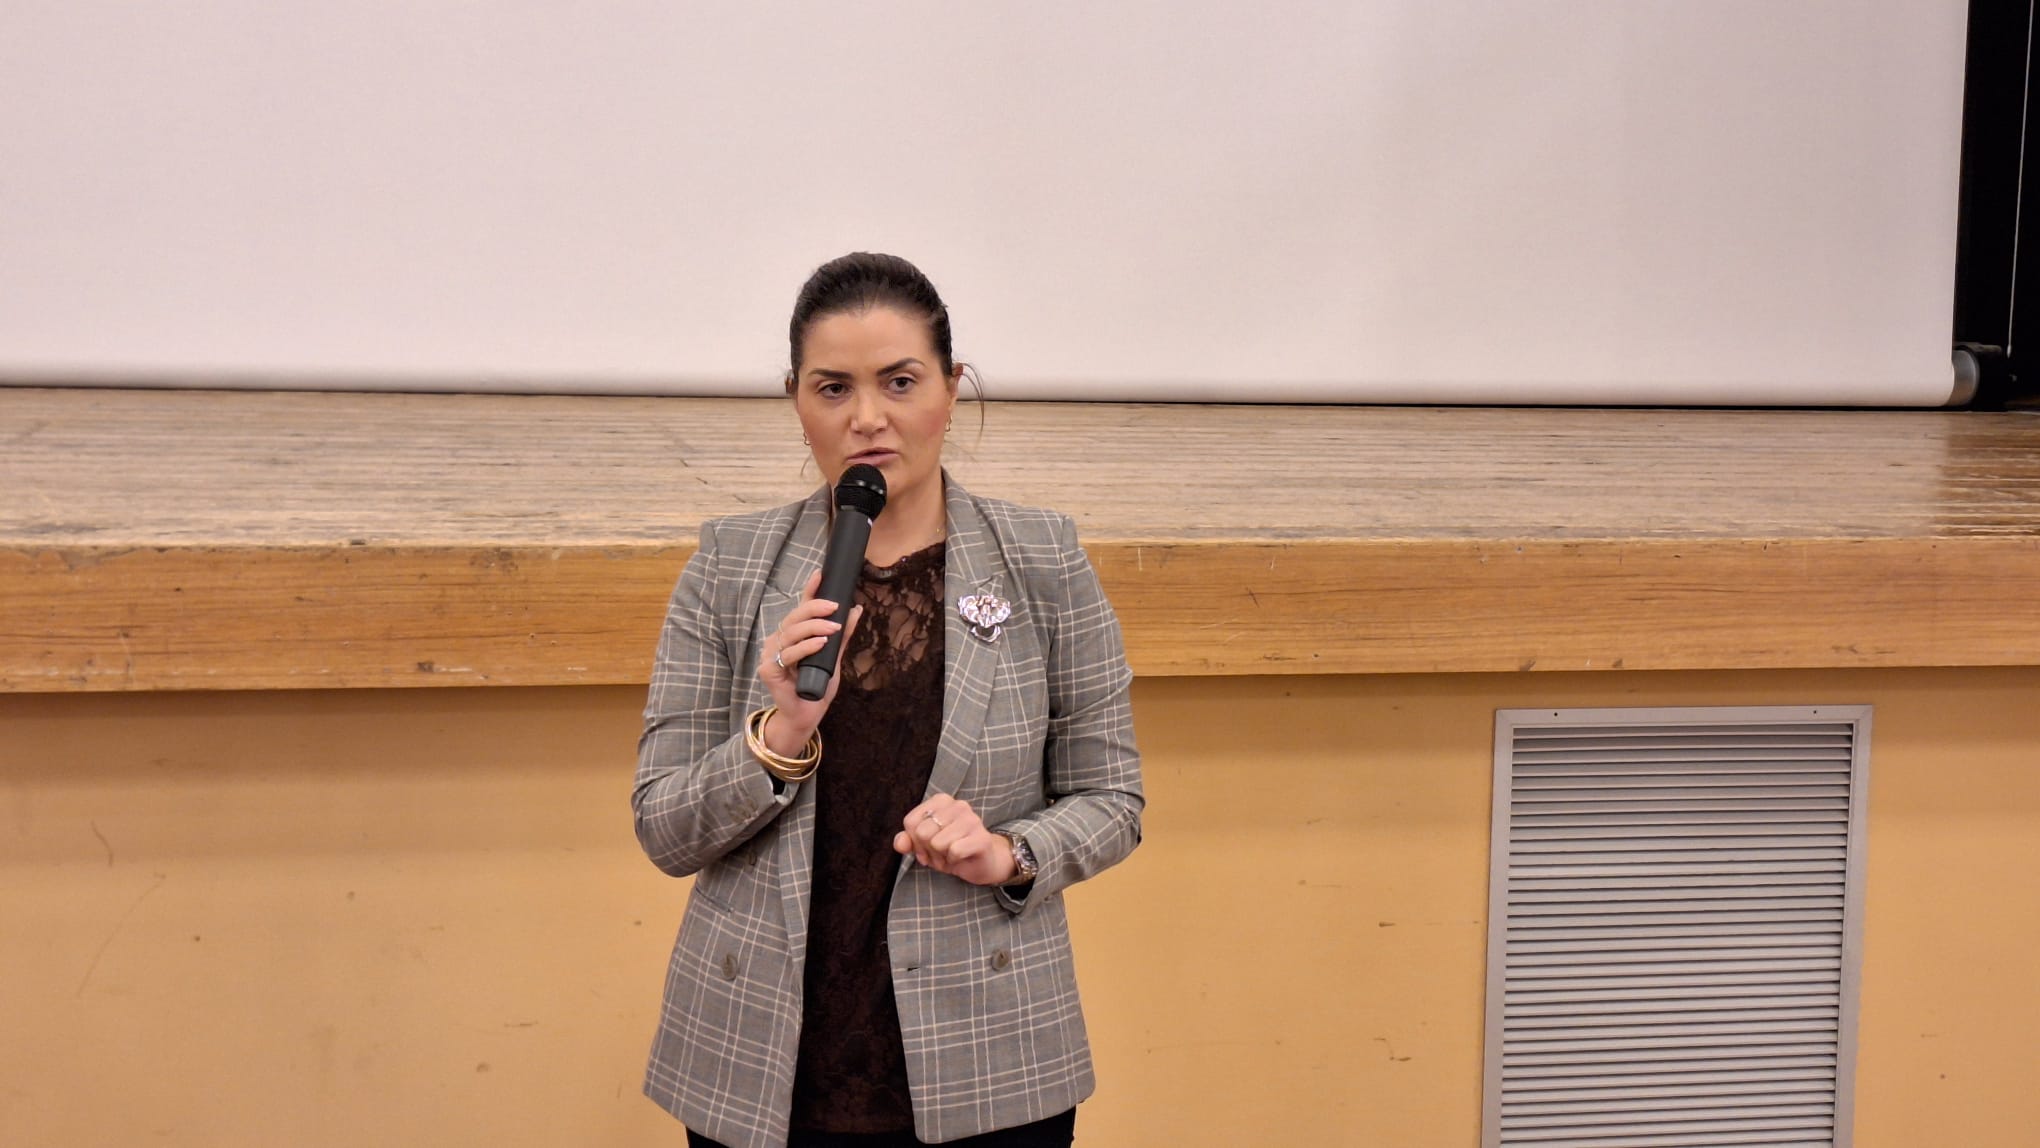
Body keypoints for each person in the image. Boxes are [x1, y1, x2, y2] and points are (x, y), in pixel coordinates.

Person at [632, 252, 1144, 1148]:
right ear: (797, 401)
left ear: (951, 388)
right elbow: (663, 827)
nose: (867, 418)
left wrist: (1008, 854)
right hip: (762, 1068)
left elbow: (1114, 799)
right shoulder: (727, 568)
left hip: (991, 1058)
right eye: (834, 388)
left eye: (900, 382)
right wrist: (778, 734)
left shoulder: (1044, 559)